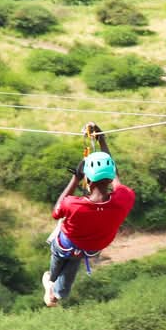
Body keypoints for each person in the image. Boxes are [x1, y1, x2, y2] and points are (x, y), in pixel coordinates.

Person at [42, 123, 135, 307]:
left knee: (59, 259)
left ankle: (50, 281)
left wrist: (75, 178)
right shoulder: (124, 198)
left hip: (65, 245)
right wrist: (102, 140)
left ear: (88, 180)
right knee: (66, 282)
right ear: (110, 178)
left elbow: (56, 211)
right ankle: (55, 291)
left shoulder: (73, 204)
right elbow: (114, 173)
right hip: (91, 248)